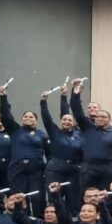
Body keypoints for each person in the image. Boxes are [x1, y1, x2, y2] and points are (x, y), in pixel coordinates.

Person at [71, 79, 112, 193]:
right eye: (98, 117)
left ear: (110, 120)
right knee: (87, 197)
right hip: (88, 169)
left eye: (104, 117)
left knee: (109, 197)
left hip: (107, 169)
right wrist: (76, 93)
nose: (100, 118)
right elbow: (76, 110)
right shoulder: (87, 128)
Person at [0, 84, 49, 213]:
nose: (28, 118)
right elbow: (5, 115)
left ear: (36, 121)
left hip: (36, 170)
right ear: (22, 119)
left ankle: (38, 222)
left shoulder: (42, 135)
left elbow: (49, 153)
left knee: (38, 199)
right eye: (25, 116)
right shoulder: (15, 130)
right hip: (17, 169)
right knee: (19, 199)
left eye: (31, 117)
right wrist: (3, 97)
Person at [40, 88, 83, 216]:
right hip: (55, 169)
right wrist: (43, 102)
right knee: (55, 199)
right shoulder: (55, 132)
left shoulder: (78, 134)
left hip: (73, 171)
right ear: (60, 121)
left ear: (73, 122)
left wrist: (64, 96)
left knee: (74, 201)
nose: (67, 121)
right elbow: (47, 118)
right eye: (64, 119)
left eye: (70, 120)